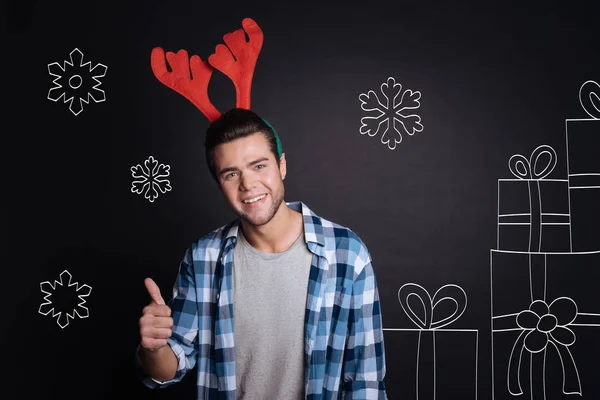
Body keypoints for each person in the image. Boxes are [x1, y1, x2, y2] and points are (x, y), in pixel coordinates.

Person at [135, 108, 387, 399]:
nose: (248, 184)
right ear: (220, 185)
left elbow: (365, 384)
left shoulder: (347, 255)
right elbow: (166, 371)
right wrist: (153, 349)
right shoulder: (202, 258)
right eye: (231, 174)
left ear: (281, 166)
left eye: (259, 166)